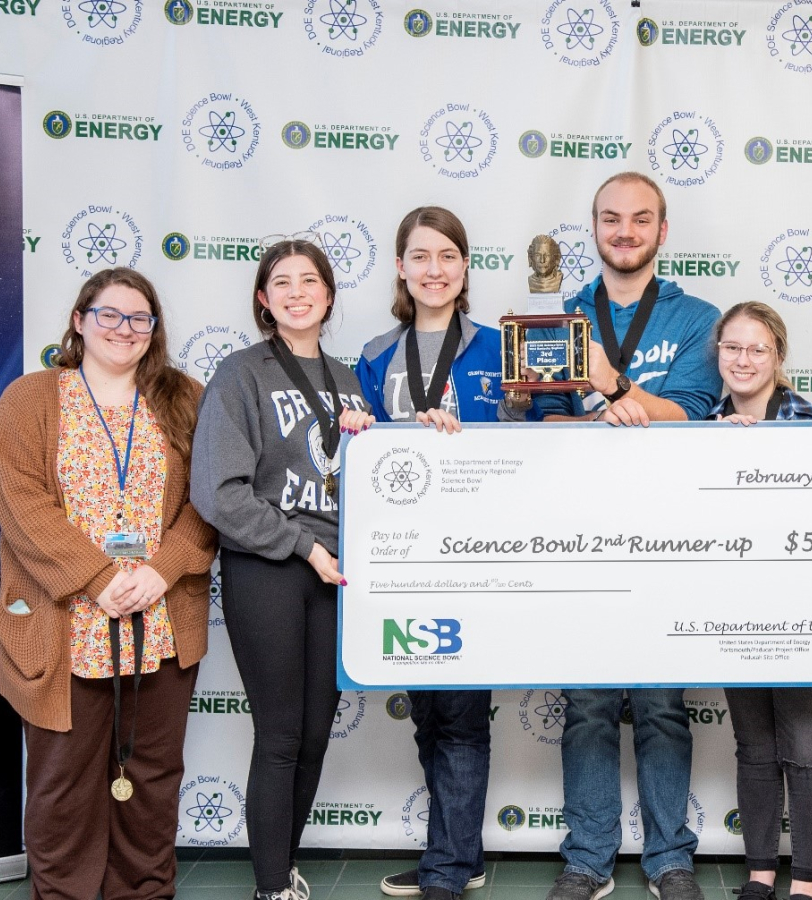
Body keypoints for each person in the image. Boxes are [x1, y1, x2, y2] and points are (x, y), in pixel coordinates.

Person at [0, 267, 216, 900]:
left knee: (153, 777)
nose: (124, 328)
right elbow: (21, 505)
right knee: (63, 783)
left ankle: (144, 891)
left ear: (154, 331)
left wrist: (159, 571)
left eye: (140, 318)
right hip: (66, 623)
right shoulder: (30, 400)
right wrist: (96, 579)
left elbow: (209, 504)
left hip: (160, 618)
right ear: (80, 321)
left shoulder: (186, 399)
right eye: (109, 314)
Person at [524, 172, 722, 900]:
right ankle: (589, 858)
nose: (626, 231)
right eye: (612, 219)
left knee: (664, 702)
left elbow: (694, 412)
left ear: (662, 232)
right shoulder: (558, 315)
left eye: (641, 219)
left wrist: (611, 387)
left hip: (668, 535)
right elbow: (541, 420)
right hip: (580, 535)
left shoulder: (699, 317)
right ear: (595, 230)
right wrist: (602, 418)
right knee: (588, 704)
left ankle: (671, 858)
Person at [191, 239, 370, 900]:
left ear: (328, 294)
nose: (298, 292)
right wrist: (302, 546)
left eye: (310, 281)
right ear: (263, 300)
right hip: (269, 566)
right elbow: (219, 493)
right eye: (282, 283)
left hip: (337, 572)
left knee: (317, 734)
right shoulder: (239, 375)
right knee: (282, 734)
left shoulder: (350, 378)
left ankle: (283, 865)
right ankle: (272, 888)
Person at [348, 206, 504, 900]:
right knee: (430, 715)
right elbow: (353, 456)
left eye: (447, 256)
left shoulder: (501, 348)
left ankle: (445, 871)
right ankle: (458, 853)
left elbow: (544, 439)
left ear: (464, 267)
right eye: (420, 256)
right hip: (404, 561)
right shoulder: (376, 354)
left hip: (478, 558)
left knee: (464, 716)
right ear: (402, 268)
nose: (434, 269)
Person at [707, 302, 812, 900]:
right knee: (754, 747)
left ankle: (806, 882)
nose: (743, 360)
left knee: (807, 748)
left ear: (778, 358)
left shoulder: (808, 423)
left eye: (757, 349)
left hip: (804, 612)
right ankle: (761, 875)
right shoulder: (706, 425)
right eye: (732, 348)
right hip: (736, 612)